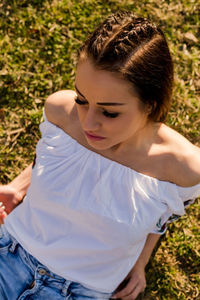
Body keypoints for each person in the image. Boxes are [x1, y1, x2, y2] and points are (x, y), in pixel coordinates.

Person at [0, 10, 200, 300]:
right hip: (10, 251)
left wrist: (140, 263)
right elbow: (48, 159)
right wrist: (17, 189)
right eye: (81, 99)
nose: (87, 122)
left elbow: (162, 218)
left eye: (109, 111)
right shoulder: (60, 112)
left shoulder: (184, 168)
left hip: (77, 292)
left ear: (150, 104)